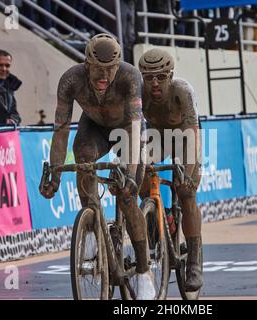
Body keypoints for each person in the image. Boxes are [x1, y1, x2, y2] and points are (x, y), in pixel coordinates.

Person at [39, 33, 155, 299]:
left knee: (127, 195)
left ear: (118, 67)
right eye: (97, 70)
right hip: (93, 128)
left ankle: (143, 270)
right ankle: (92, 225)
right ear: (86, 64)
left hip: (127, 130)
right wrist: (55, 172)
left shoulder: (130, 76)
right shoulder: (70, 80)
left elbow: (136, 128)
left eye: (109, 70)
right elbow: (61, 130)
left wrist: (131, 172)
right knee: (84, 158)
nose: (103, 77)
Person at [138, 48, 203, 292]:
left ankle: (195, 261)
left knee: (186, 192)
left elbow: (192, 134)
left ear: (171, 75)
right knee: (141, 176)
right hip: (157, 135)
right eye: (149, 77)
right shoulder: (139, 92)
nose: (154, 83)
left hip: (185, 134)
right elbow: (133, 130)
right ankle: (158, 221)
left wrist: (187, 172)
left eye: (161, 77)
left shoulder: (182, 91)